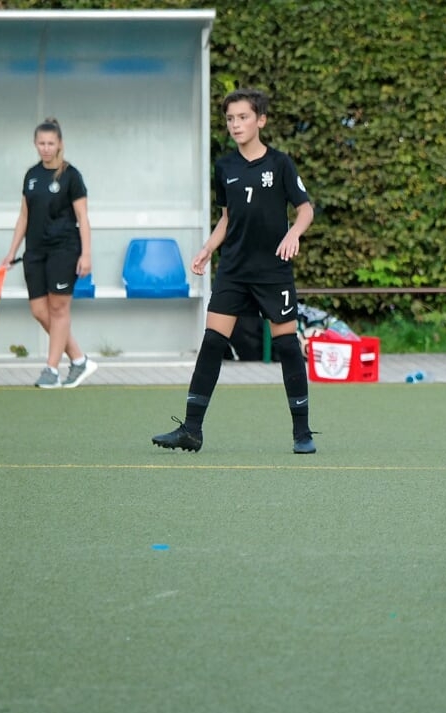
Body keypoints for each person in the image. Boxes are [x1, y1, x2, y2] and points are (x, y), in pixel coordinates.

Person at [152, 88, 316, 454]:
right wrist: (208, 249)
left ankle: (302, 433)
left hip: (273, 271)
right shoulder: (224, 167)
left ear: (261, 120)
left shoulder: (280, 164)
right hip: (234, 271)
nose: (236, 124)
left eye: (243, 117)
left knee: (287, 345)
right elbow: (227, 218)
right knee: (212, 341)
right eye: (230, 119)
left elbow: (305, 209)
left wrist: (293, 233)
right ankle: (191, 430)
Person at [1, 118, 98, 389]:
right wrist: (11, 252)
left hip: (64, 249)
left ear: (60, 144)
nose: (46, 148)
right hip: (34, 251)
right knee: (39, 310)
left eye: (50, 143)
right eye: (41, 143)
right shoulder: (31, 176)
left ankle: (51, 370)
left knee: (58, 308)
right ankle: (79, 359)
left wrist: (86, 254)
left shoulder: (71, 176)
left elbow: (83, 217)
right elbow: (23, 216)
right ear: (35, 144)